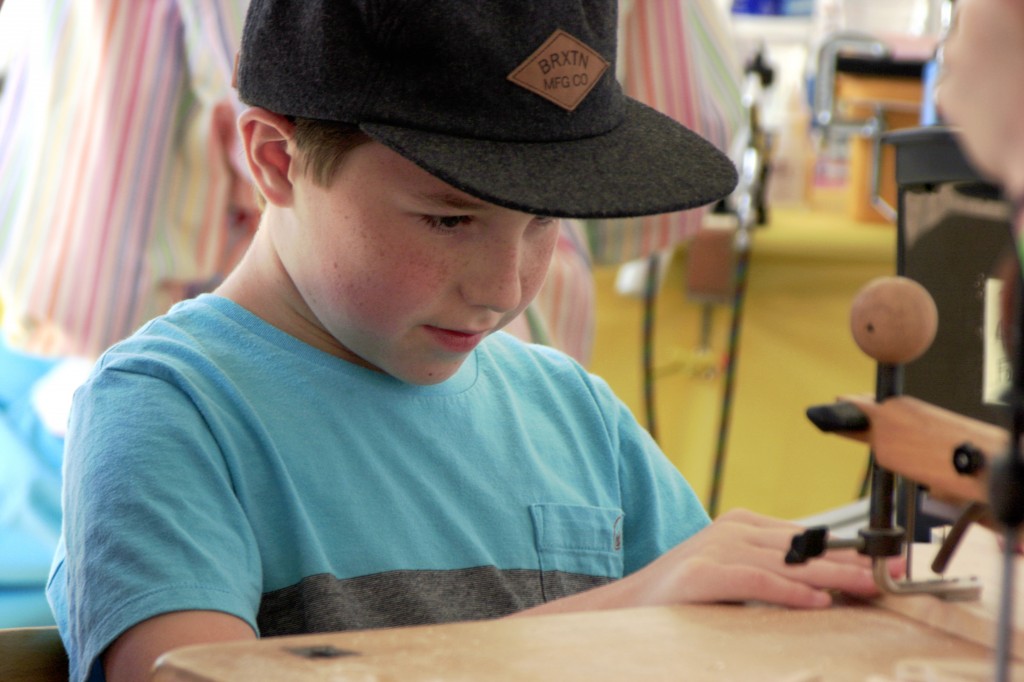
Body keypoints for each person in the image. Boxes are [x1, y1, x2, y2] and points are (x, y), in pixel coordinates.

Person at [47, 2, 888, 681]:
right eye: (450, 218)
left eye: (544, 223)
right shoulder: (171, 412)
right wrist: (617, 614)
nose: (506, 286)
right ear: (276, 159)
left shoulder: (575, 413)